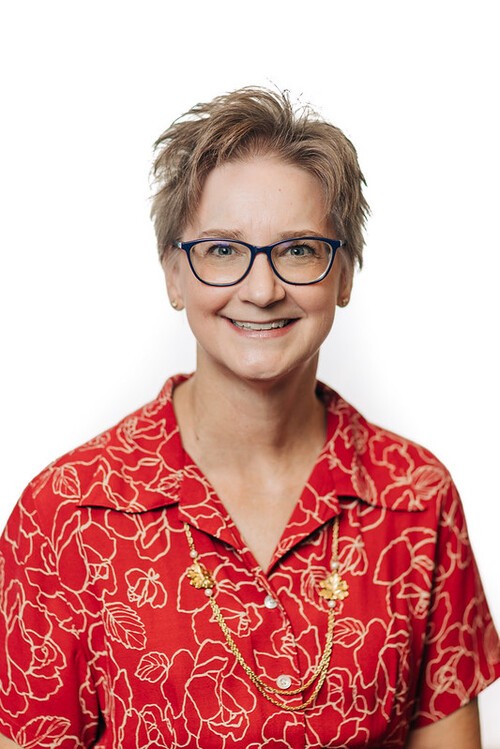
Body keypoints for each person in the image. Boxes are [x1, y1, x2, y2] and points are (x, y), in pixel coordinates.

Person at [0, 87, 498, 749]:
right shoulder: (64, 513)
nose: (262, 290)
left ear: (345, 274)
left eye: (299, 250)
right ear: (174, 274)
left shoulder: (416, 498)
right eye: (223, 250)